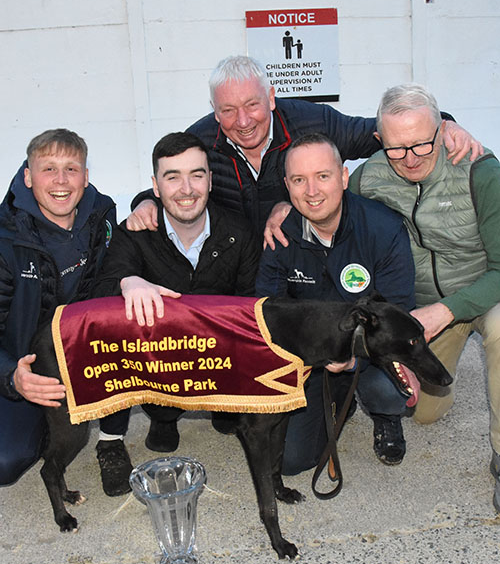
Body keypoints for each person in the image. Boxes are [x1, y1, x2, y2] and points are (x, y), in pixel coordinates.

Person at [347, 84, 500, 512]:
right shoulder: (370, 176)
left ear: (442, 129)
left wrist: (448, 309)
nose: (411, 158)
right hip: (425, 307)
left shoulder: (479, 170)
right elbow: (326, 206)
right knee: (425, 412)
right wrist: (287, 209)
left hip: (484, 292)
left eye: (422, 143)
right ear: (380, 141)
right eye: (397, 148)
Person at [127, 55, 482, 238]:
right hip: (238, 271)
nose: (244, 121)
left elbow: (384, 133)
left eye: (252, 105)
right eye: (228, 111)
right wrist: (144, 202)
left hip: (303, 258)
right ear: (215, 112)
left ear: (270, 97)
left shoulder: (314, 123)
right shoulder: (201, 140)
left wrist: (444, 123)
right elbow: (173, 185)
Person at [92, 132, 260, 496]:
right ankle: (162, 416)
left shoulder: (240, 233)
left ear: (210, 180)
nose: (186, 188)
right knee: (113, 329)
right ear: (155, 185)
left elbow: (252, 306)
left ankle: (222, 406)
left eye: (196, 175)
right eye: (172, 177)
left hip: (217, 356)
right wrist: (128, 280)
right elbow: (99, 291)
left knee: (234, 413)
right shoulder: (135, 232)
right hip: (160, 363)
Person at [255, 132, 416, 475]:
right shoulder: (279, 235)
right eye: (299, 180)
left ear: (343, 177)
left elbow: (398, 315)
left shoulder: (383, 228)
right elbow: (266, 313)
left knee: (389, 390)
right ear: (287, 185)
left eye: (323, 176)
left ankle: (386, 417)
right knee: (291, 462)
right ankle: (339, 398)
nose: (312, 191)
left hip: (371, 353)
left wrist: (353, 359)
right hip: (313, 359)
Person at [0, 129, 115, 485]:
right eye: (49, 169)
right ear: (28, 176)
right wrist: (11, 375)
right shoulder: (6, 240)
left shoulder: (103, 216)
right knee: (6, 463)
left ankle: (106, 438)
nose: (61, 180)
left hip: (85, 356)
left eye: (71, 168)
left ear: (86, 176)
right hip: (27, 367)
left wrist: (146, 204)